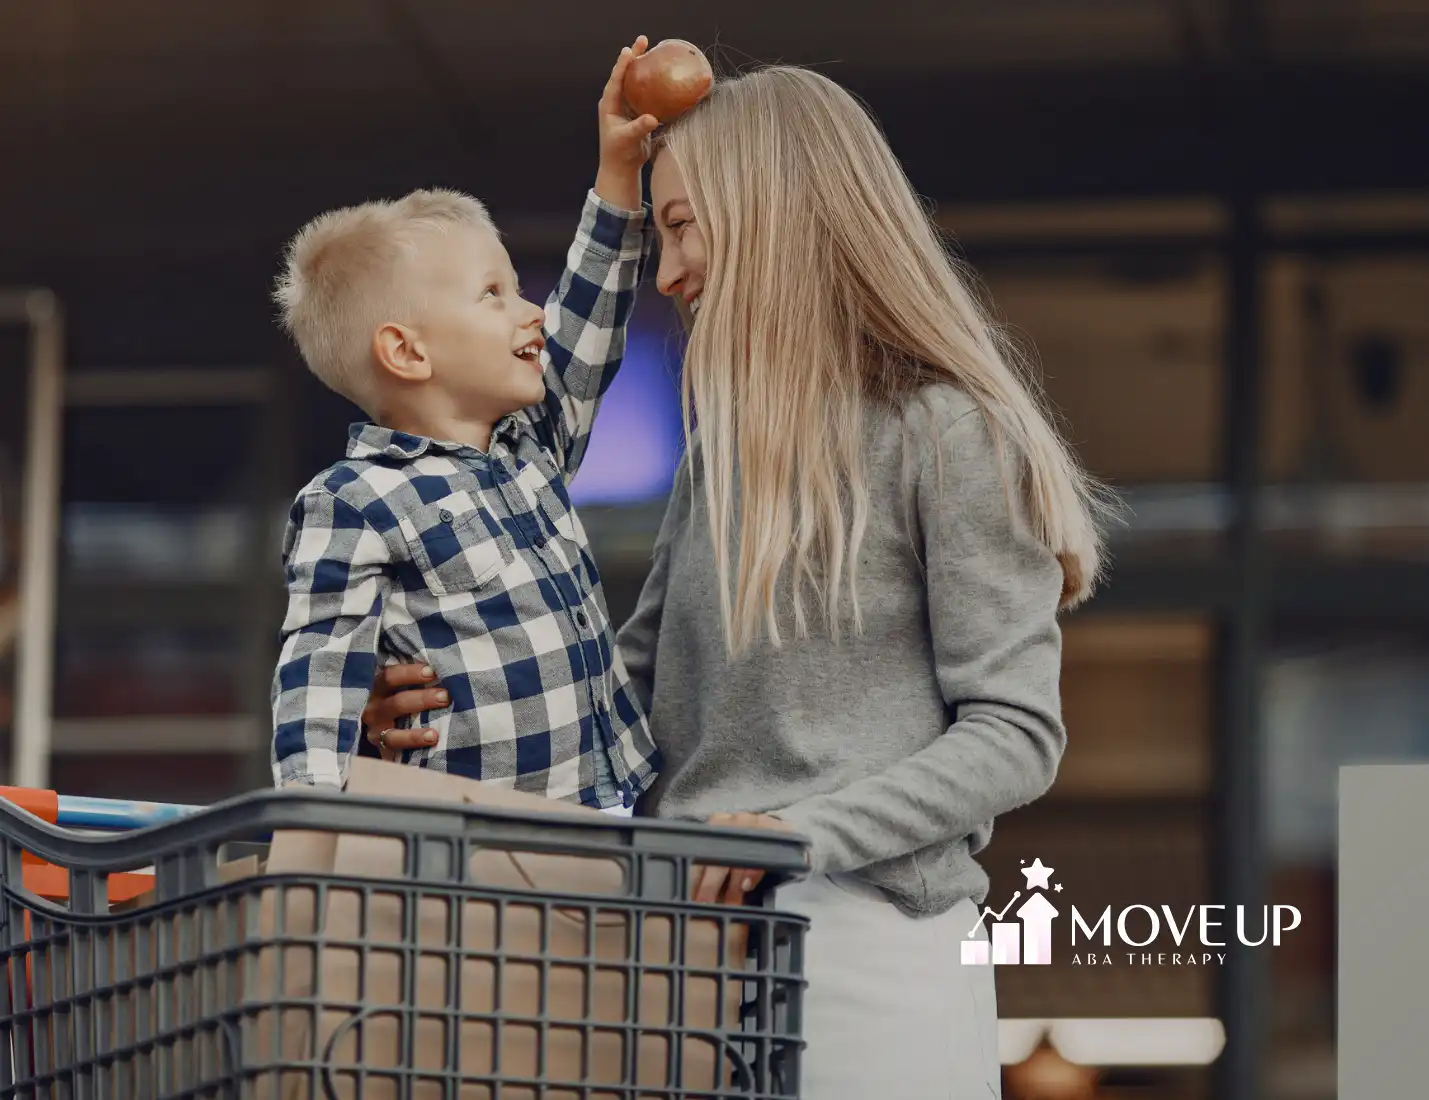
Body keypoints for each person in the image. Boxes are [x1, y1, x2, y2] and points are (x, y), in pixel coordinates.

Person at [363, 64, 1114, 1098]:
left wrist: (799, 834)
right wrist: (437, 718)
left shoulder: (944, 434)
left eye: (682, 228)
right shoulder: (721, 453)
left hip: (869, 951)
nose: (668, 274)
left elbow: (1016, 732)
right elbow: (624, 699)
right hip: (687, 957)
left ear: (773, 215)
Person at [267, 41, 663, 812]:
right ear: (407, 352)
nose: (532, 312)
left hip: (614, 809)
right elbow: (317, 681)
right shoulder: (353, 503)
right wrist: (310, 824)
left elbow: (589, 314)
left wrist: (618, 172)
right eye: (493, 294)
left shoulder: (531, 447)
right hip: (475, 841)